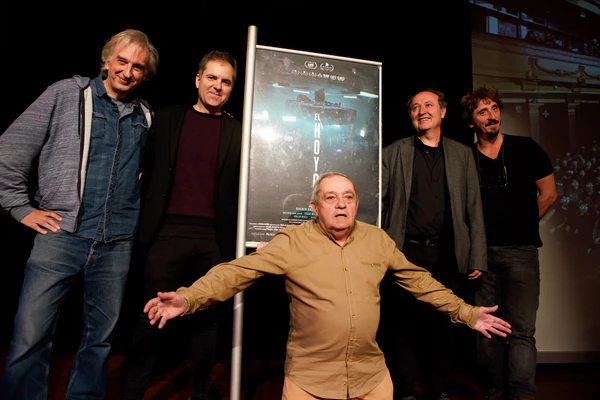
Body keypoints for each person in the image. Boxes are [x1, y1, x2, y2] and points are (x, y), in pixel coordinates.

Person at [140, 171, 511, 400]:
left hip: (370, 379)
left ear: (357, 204)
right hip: (309, 382)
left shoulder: (377, 240)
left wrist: (467, 313)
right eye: (330, 198)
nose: (341, 205)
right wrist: (188, 298)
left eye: (348, 197)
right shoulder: (291, 242)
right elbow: (236, 272)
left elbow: (420, 281)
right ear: (315, 207)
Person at [0, 29, 159, 400]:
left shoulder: (145, 115)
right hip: (61, 235)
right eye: (122, 61)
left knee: (99, 340)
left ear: (145, 75)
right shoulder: (67, 94)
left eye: (137, 67)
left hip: (116, 242)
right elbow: (11, 148)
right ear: (106, 60)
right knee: (31, 335)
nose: (128, 71)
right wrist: (20, 207)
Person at [120, 50, 242, 400]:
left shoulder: (238, 130)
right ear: (198, 79)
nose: (217, 86)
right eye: (212, 78)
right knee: (152, 316)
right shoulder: (167, 118)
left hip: (214, 238)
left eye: (226, 81)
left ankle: (198, 394)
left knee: (207, 320)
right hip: (167, 233)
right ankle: (132, 394)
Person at [378, 88, 487, 400]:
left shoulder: (462, 154)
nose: (421, 111)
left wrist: (477, 255)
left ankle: (439, 391)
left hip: (447, 253)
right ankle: (405, 392)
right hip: (404, 252)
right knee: (403, 327)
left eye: (428, 105)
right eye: (415, 107)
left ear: (443, 112)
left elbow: (473, 207)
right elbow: (379, 204)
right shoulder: (393, 152)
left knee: (442, 328)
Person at [460, 85, 557, 400]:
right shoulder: (466, 157)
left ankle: (522, 393)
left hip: (521, 251)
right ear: (471, 121)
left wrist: (523, 224)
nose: (492, 116)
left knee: (521, 330)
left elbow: (549, 194)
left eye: (494, 109)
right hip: (482, 255)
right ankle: (498, 387)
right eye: (482, 111)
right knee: (489, 330)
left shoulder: (525, 147)